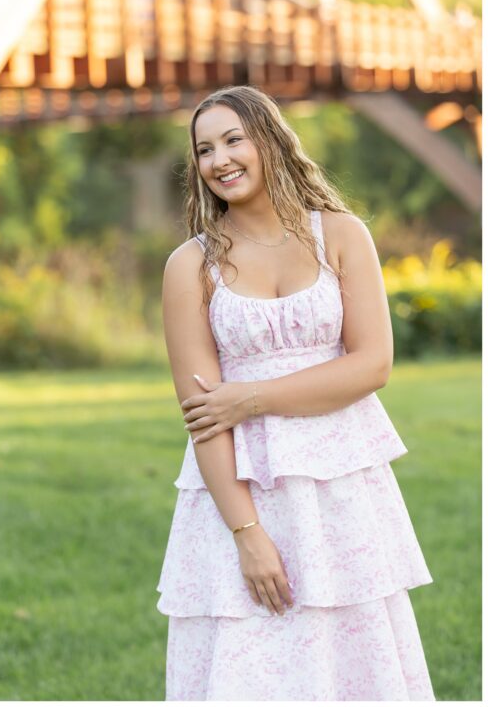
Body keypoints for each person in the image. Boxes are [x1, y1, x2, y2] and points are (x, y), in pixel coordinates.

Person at [157, 85, 434, 699]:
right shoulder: (190, 265)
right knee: (251, 663)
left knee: (354, 662)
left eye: (234, 139)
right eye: (205, 149)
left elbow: (372, 365)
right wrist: (246, 534)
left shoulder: (340, 235)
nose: (220, 159)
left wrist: (249, 397)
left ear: (270, 139)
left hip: (342, 491)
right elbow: (205, 417)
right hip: (243, 492)